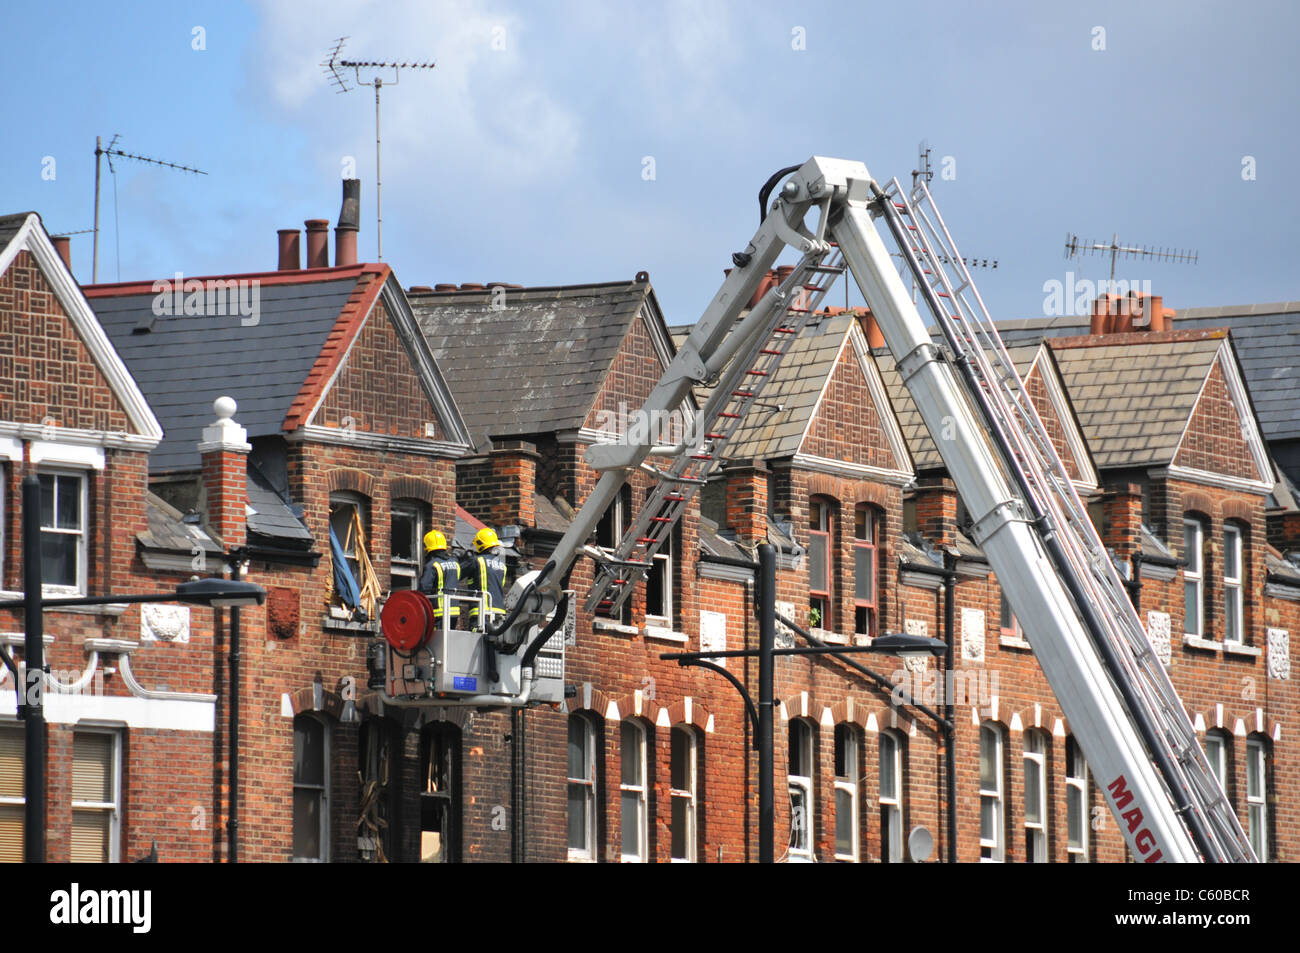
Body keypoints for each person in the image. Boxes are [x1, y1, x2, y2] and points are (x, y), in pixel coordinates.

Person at [460, 527, 508, 632]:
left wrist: (462, 559)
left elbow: (457, 573)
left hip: (481, 612)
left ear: (480, 544)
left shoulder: (476, 561)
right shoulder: (502, 565)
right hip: (499, 612)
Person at [418, 530, 460, 626]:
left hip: (439, 613)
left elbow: (423, 589)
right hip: (454, 612)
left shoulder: (432, 565)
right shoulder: (455, 563)